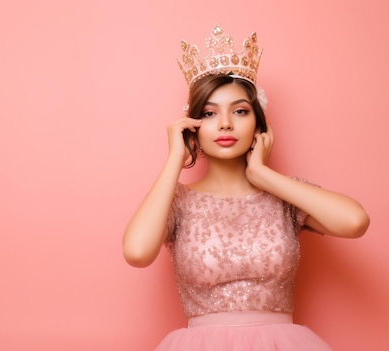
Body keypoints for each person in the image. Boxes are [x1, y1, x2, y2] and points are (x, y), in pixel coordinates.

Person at [123, 25, 370, 350]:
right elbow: (137, 253)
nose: (225, 123)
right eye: (210, 113)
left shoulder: (286, 195)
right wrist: (174, 158)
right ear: (192, 129)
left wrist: (264, 176)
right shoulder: (177, 202)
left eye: (240, 111)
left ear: (258, 123)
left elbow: (355, 222)